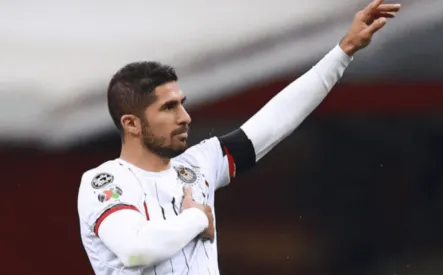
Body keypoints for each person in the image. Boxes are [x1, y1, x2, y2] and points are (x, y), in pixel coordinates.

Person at [77, 0, 401, 274]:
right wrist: (196, 217)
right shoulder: (104, 182)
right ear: (132, 124)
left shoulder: (199, 165)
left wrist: (342, 52)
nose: (184, 117)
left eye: (182, 104)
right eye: (168, 108)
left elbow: (275, 121)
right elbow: (137, 251)